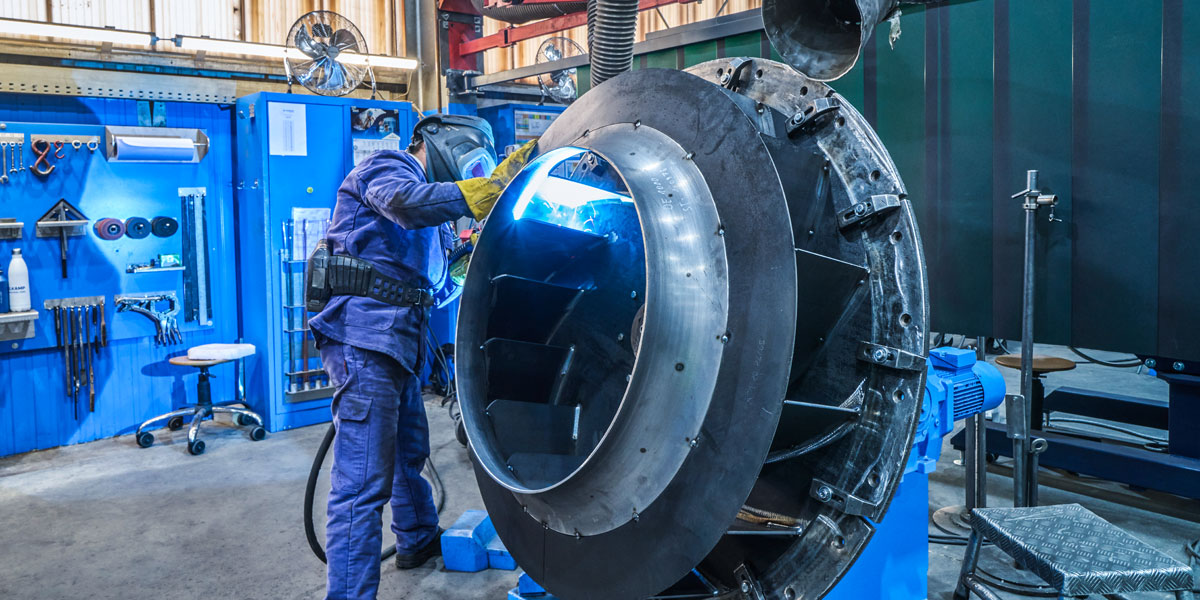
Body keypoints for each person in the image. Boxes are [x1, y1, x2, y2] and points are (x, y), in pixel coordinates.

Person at [307, 114, 536, 600]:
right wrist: (481, 191)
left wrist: (478, 254)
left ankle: (416, 540)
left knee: (409, 452)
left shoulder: (438, 221)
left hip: (400, 341)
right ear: (440, 142)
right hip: (364, 338)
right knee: (363, 480)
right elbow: (404, 205)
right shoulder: (389, 167)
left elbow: (442, 279)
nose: (474, 173)